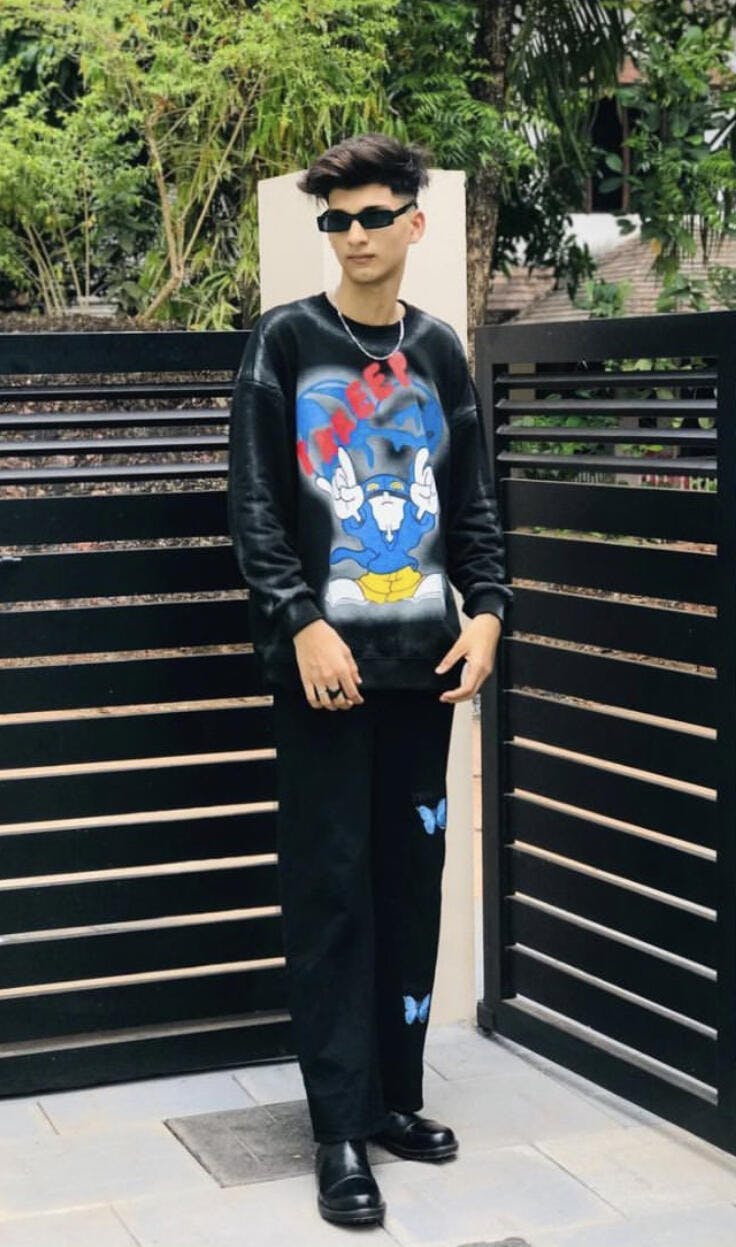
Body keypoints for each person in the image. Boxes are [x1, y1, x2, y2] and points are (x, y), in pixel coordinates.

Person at [227, 132, 512, 1228]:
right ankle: (337, 1127)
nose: (353, 235)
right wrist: (300, 622)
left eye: (372, 215)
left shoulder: (437, 352)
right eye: (336, 220)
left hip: (421, 669)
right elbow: (256, 506)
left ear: (413, 223)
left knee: (409, 886)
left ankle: (394, 1098)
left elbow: (472, 503)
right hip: (323, 673)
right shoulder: (286, 342)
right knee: (332, 894)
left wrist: (488, 614)